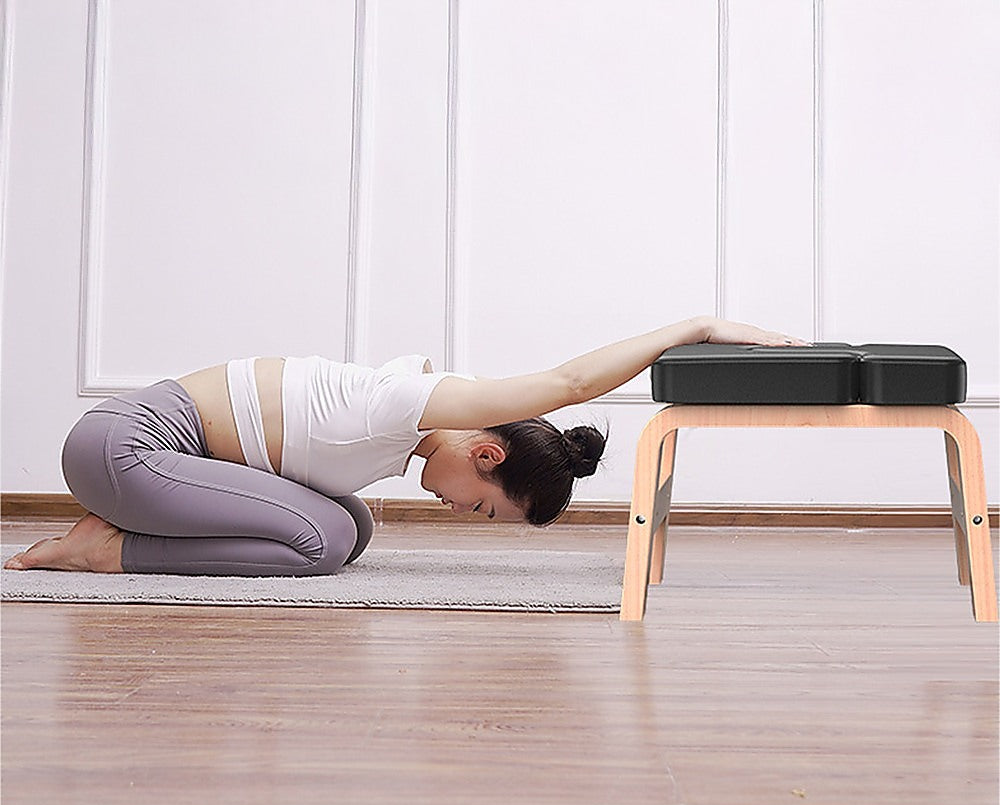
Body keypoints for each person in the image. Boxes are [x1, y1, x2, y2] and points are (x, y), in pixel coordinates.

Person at [3, 316, 808, 576]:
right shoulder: (411, 404)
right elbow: (568, 382)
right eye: (482, 510)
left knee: (352, 528)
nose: (461, 514)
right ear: (487, 456)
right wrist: (694, 328)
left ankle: (116, 531)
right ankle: (104, 551)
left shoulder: (412, 419)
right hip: (126, 448)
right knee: (320, 543)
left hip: (149, 456)